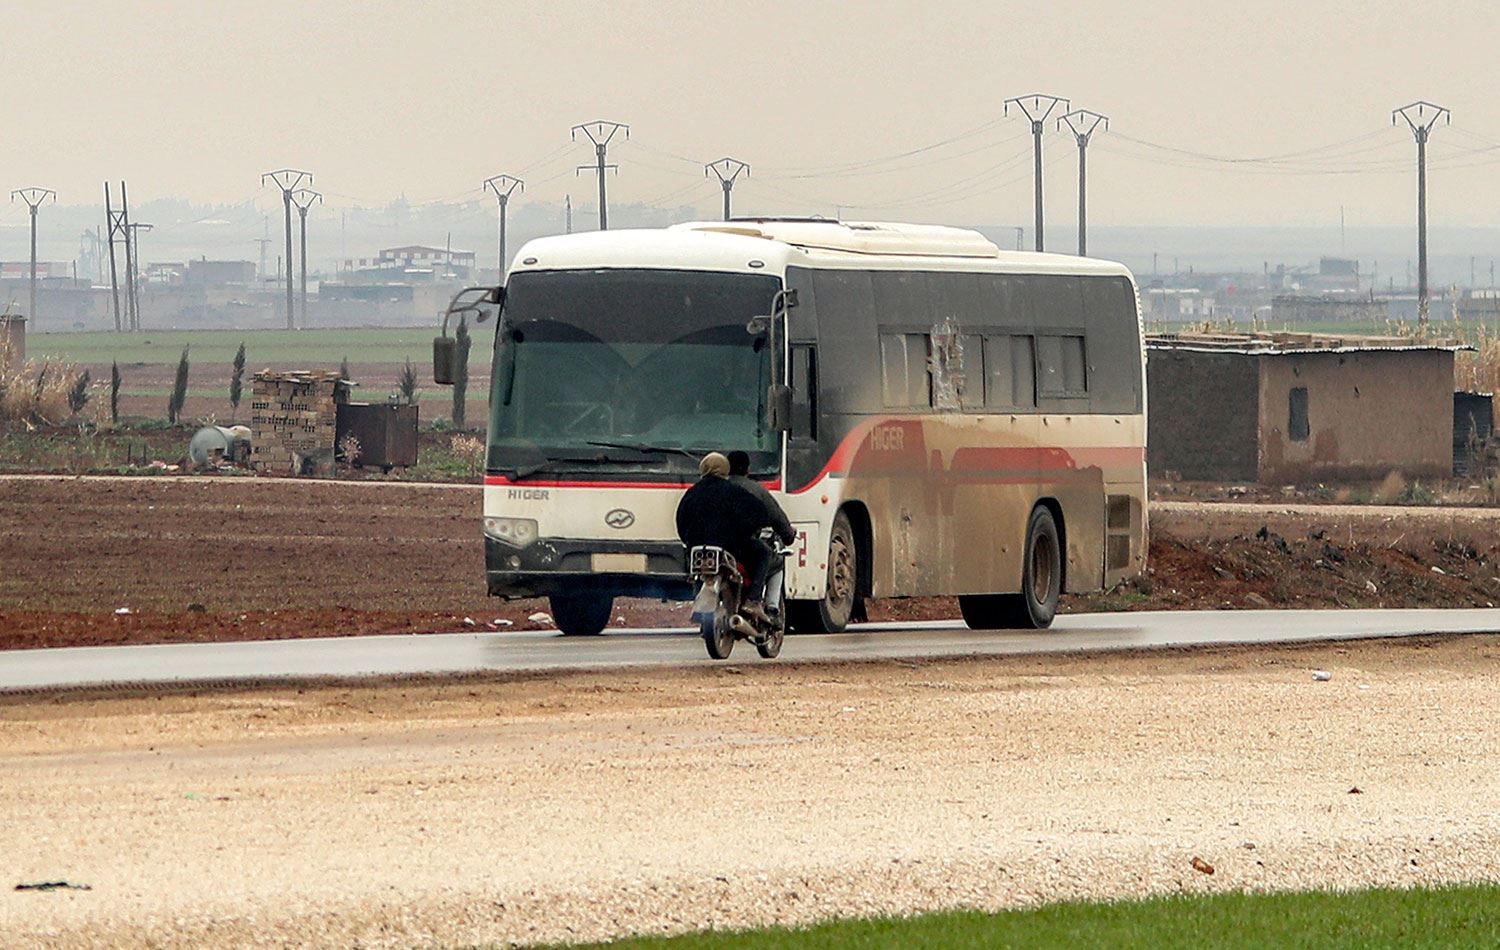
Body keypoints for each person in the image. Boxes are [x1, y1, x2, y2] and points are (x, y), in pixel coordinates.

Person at [675, 452, 787, 621]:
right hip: (731, 548)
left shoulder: (691, 493)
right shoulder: (733, 491)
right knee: (764, 554)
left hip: (696, 548)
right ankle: (753, 601)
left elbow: (681, 522)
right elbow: (760, 514)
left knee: (697, 572)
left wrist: (691, 541)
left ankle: (699, 598)